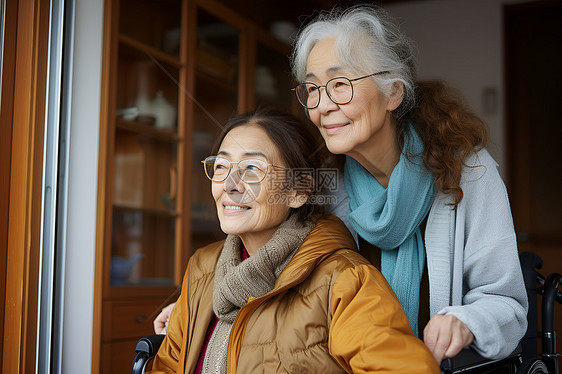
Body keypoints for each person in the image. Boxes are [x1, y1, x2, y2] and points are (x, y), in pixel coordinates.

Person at [289, 4, 528, 364]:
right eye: (311, 89)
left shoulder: (469, 172)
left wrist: (463, 322)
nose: (321, 105)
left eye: (339, 84)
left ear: (393, 93)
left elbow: (508, 305)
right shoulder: (327, 188)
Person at [148, 108, 439, 373]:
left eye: (252, 169)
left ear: (298, 191)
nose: (229, 185)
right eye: (221, 166)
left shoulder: (344, 278)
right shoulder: (202, 266)